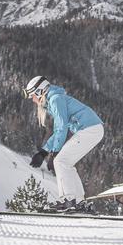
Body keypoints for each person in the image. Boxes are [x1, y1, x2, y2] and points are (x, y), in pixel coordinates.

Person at [23, 75, 103, 212]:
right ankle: (78, 201)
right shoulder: (55, 99)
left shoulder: (55, 99)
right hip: (93, 128)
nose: (32, 99)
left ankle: (68, 199)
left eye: (32, 95)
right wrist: (44, 152)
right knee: (66, 163)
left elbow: (61, 127)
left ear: (39, 91)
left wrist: (54, 152)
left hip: (89, 129)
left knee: (60, 161)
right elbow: (59, 129)